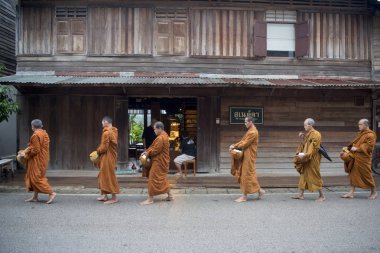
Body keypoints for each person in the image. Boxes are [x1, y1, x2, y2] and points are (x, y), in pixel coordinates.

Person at [18, 119, 56, 204]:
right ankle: (35, 197)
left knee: (36, 178)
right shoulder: (44, 133)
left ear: (33, 126)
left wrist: (25, 155)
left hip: (37, 159)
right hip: (43, 159)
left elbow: (35, 150)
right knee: (36, 176)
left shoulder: (36, 135)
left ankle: (51, 193)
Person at [229, 116, 265, 203]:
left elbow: (245, 144)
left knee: (245, 175)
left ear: (250, 122)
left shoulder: (253, 132)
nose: (244, 124)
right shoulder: (250, 130)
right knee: (250, 175)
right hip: (246, 156)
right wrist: (234, 145)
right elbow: (242, 140)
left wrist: (234, 146)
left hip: (249, 156)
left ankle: (244, 197)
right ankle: (260, 191)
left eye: (245, 122)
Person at [341, 119, 377, 200]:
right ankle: (351, 192)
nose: (359, 126)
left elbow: (369, 147)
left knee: (367, 175)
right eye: (359, 124)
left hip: (364, 158)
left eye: (360, 124)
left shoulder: (371, 135)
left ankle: (374, 192)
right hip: (355, 157)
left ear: (366, 125)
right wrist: (348, 148)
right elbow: (355, 143)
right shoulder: (360, 134)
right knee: (352, 174)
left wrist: (357, 149)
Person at [140, 121, 173, 205]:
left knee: (152, 178)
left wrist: (147, 153)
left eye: (155, 129)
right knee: (162, 178)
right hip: (162, 161)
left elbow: (155, 150)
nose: (154, 131)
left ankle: (150, 199)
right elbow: (153, 147)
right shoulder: (164, 136)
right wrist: (147, 151)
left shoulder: (161, 138)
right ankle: (170, 196)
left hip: (159, 162)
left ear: (159, 129)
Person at [292, 118, 325, 202]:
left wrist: (306, 155)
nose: (304, 127)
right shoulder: (308, 134)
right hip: (307, 157)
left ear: (310, 125)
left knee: (315, 175)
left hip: (313, 158)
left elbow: (314, 147)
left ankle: (322, 195)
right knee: (303, 174)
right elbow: (306, 145)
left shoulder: (316, 134)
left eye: (305, 125)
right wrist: (303, 138)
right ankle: (301, 194)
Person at [96, 116, 120, 204]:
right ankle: (105, 195)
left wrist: (97, 151)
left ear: (106, 122)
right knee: (103, 175)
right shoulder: (114, 131)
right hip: (110, 156)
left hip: (107, 157)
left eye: (102, 122)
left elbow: (104, 147)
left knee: (109, 176)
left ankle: (114, 197)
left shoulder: (107, 133)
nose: (102, 124)